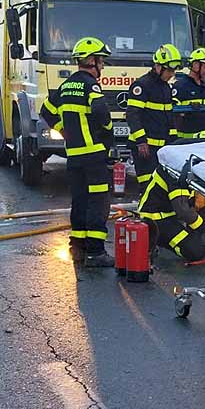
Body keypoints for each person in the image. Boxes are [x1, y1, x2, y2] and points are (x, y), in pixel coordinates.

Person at [40, 37, 116, 267]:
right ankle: (95, 252)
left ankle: (79, 248)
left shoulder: (66, 86)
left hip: (74, 156)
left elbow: (46, 110)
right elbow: (102, 112)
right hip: (94, 156)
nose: (102, 66)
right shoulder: (91, 85)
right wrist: (109, 133)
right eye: (101, 61)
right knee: (98, 201)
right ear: (91, 60)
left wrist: (64, 130)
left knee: (80, 200)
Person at [136, 132, 205, 262]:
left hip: (171, 216)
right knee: (195, 251)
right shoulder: (176, 170)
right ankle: (156, 241)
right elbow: (182, 210)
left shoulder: (195, 168)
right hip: (155, 219)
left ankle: (182, 238)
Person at [127, 43, 183, 188]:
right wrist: (141, 141)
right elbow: (133, 115)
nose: (171, 74)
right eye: (169, 70)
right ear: (158, 67)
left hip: (161, 147)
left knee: (161, 187)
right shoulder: (142, 85)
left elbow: (168, 118)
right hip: (144, 148)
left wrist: (173, 143)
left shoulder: (166, 87)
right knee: (148, 185)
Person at [173, 47, 205, 139]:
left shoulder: (204, 87)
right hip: (187, 141)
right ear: (195, 64)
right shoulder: (181, 86)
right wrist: (188, 110)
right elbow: (173, 114)